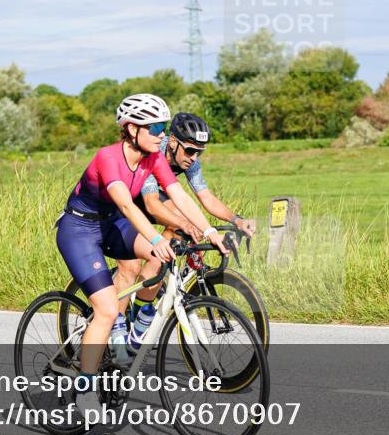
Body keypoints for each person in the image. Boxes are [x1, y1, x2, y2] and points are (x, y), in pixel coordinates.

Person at [55, 94, 229, 413]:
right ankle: (84, 390)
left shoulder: (153, 158)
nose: (162, 134)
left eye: (163, 127)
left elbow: (180, 196)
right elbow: (125, 203)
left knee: (156, 259)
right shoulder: (107, 157)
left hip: (112, 225)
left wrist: (209, 231)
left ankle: (129, 332)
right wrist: (153, 236)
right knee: (106, 309)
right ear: (132, 129)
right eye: (157, 127)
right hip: (79, 230)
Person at [114, 112, 257, 320]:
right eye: (190, 151)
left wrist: (237, 220)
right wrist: (187, 224)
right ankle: (113, 334)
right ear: (172, 141)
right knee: (131, 267)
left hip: (145, 203)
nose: (194, 158)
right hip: (123, 206)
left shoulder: (189, 160)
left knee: (167, 247)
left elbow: (206, 198)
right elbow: (153, 205)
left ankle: (140, 311)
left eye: (199, 152)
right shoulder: (151, 153)